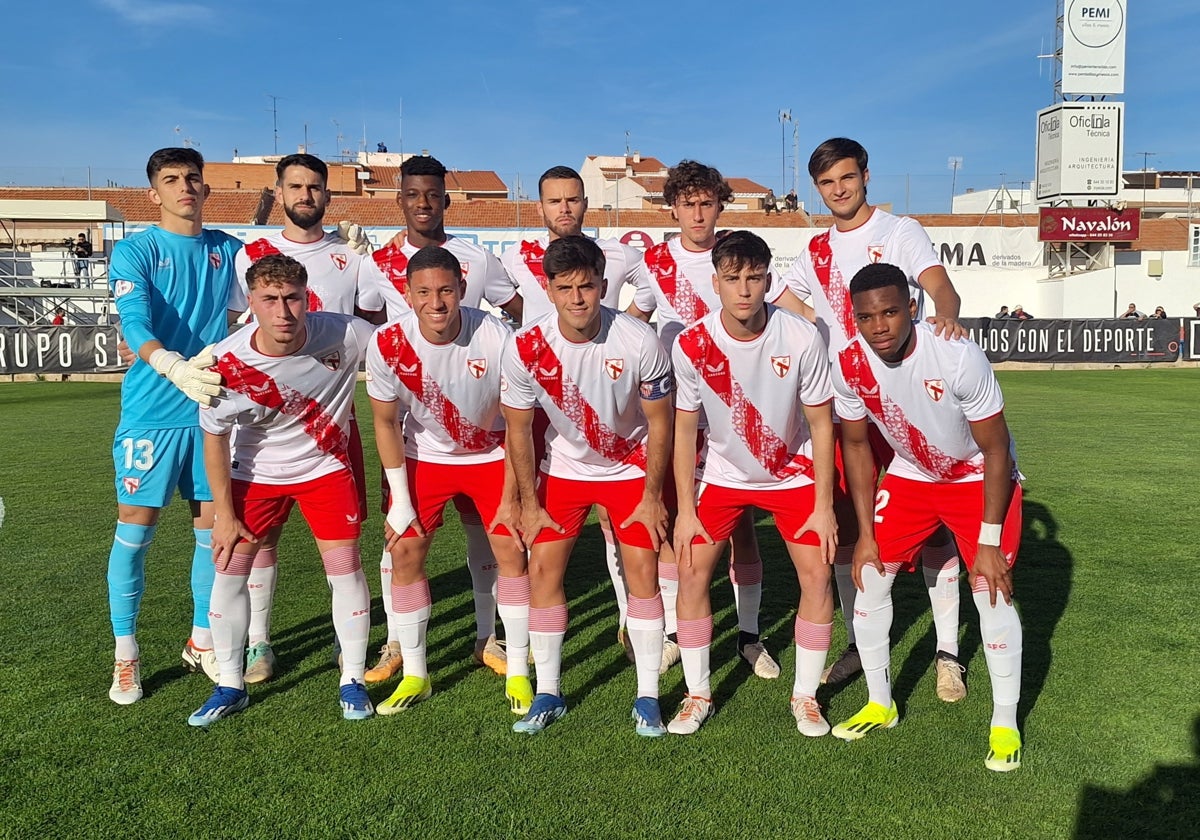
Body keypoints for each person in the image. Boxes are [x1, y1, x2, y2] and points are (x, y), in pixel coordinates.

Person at [777, 137, 968, 699]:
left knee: (934, 534)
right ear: (817, 189)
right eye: (826, 183)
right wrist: (824, 324)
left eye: (846, 178)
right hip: (846, 403)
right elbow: (785, 301)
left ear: (865, 176)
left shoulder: (898, 231)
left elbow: (939, 287)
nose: (838, 190)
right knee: (846, 528)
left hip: (905, 398)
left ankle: (948, 652)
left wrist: (947, 321)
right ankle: (862, 643)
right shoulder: (814, 249)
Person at [829, 262, 1024, 772]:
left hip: (975, 475)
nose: (880, 326)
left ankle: (1005, 722)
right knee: (869, 577)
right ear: (855, 319)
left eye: (891, 312)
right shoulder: (849, 364)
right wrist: (867, 534)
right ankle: (880, 702)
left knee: (992, 590)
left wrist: (986, 541)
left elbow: (997, 449)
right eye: (868, 317)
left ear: (911, 308)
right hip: (912, 476)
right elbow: (854, 444)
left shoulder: (956, 355)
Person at [628, 160, 807, 679]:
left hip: (740, 409)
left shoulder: (739, 255)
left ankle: (749, 636)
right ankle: (673, 634)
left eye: (707, 202)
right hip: (681, 406)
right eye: (688, 203)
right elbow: (638, 315)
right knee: (678, 522)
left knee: (744, 522)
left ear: (720, 205)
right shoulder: (652, 262)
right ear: (674, 207)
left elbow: (782, 313)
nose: (698, 213)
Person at [357, 154, 525, 684]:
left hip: (486, 448)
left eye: (447, 291)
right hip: (422, 447)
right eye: (412, 194)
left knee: (497, 542)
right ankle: (403, 653)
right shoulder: (380, 284)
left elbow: (520, 315)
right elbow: (365, 334)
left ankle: (490, 640)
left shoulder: (481, 283)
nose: (437, 301)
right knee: (401, 542)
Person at [191, 253, 376, 726]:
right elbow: (213, 439)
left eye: (293, 298)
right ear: (251, 302)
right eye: (270, 300)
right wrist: (224, 512)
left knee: (345, 570)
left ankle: (352, 679)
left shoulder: (346, 333)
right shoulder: (226, 362)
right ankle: (230, 684)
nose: (284, 311)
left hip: (326, 470)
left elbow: (402, 351)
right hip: (254, 476)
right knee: (228, 572)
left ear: (307, 296)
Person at [500, 235, 674, 736]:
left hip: (629, 472)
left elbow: (660, 425)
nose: (577, 298)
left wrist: (652, 496)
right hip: (564, 473)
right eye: (565, 288)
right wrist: (528, 504)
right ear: (549, 290)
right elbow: (518, 429)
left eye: (587, 286)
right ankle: (549, 692)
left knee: (643, 576)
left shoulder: (640, 341)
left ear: (604, 285)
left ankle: (647, 696)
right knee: (544, 575)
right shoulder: (526, 347)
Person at [669, 231, 837, 737]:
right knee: (693, 575)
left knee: (817, 577)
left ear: (769, 279)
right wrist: (684, 508)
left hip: (792, 476)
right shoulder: (691, 343)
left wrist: (825, 505)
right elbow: (683, 429)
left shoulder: (802, 337)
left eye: (755, 277)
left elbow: (823, 425)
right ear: (715, 283)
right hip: (720, 476)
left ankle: (805, 698)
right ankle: (698, 694)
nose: (745, 289)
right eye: (733, 278)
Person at [104, 147, 245, 705]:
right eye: (171, 179)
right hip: (151, 414)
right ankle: (126, 655)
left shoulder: (229, 251)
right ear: (153, 193)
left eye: (192, 178)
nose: (184, 186)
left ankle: (202, 640)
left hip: (212, 410)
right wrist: (170, 364)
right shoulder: (135, 251)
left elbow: (276, 289)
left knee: (214, 533)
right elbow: (133, 321)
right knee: (135, 532)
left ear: (206, 188)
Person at [231, 153, 372, 686]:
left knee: (342, 541)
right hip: (262, 428)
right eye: (296, 186)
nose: (305, 195)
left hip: (331, 424)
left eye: (315, 187)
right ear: (279, 190)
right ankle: (258, 643)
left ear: (328, 196)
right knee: (260, 540)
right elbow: (231, 330)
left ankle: (348, 640)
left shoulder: (350, 257)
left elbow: (373, 329)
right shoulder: (254, 253)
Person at [500, 165, 650, 661]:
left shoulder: (617, 255)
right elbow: (507, 312)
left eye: (573, 200)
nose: (564, 209)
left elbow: (648, 295)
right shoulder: (516, 258)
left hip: (604, 389)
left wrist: (626, 333)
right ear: (539, 206)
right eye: (554, 201)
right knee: (533, 519)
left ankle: (630, 619)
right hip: (545, 395)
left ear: (587, 203)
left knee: (618, 523)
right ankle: (521, 642)